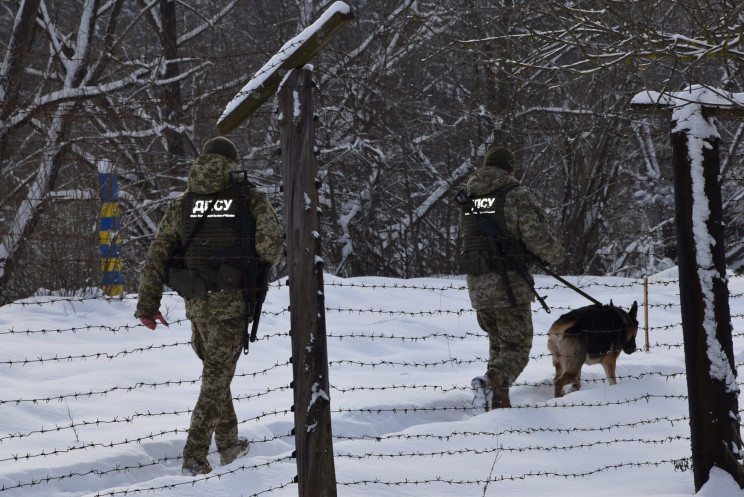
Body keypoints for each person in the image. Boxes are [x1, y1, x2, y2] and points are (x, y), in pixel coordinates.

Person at [134, 136, 283, 475]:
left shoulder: (183, 203)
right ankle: (195, 455)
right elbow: (272, 245)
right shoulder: (249, 197)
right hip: (232, 304)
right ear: (232, 163)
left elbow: (157, 254)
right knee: (216, 378)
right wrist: (251, 261)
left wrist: (148, 304)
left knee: (218, 375)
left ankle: (229, 446)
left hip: (197, 302)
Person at [458, 146, 564, 410]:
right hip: (508, 286)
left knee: (499, 347)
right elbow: (538, 238)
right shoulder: (516, 195)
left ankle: (497, 404)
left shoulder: (469, 198)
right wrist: (556, 255)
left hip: (478, 285)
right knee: (517, 348)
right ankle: (490, 381)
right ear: (510, 169)